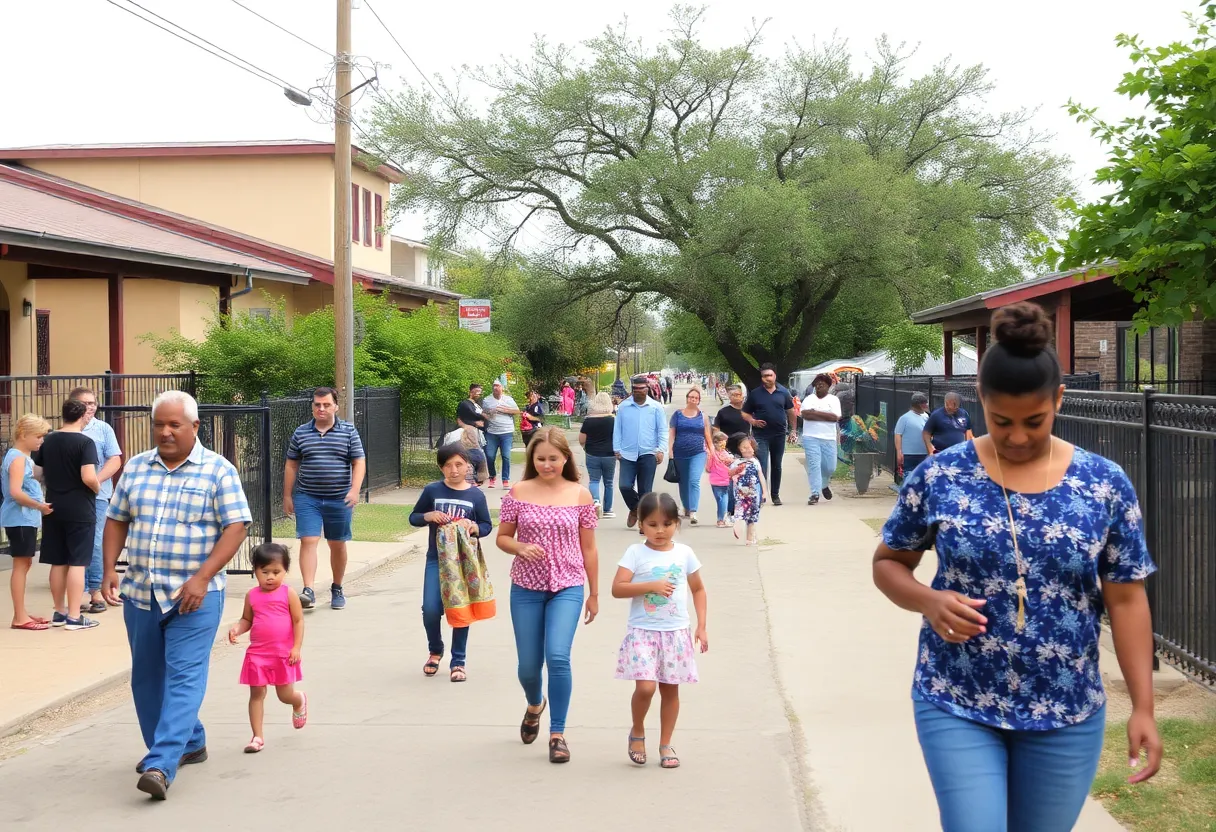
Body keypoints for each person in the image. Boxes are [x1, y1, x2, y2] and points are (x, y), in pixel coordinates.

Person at [873, 302, 1162, 831]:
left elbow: (1126, 597)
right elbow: (889, 562)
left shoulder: (1103, 484)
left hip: (1065, 708)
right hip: (957, 695)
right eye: (1002, 421)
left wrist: (1143, 705)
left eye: (1035, 420)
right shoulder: (942, 476)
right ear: (980, 400)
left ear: (1058, 400)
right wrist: (928, 600)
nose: (1019, 436)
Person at [102, 390, 252, 800]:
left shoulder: (218, 471)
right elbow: (116, 519)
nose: (165, 432)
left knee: (184, 677)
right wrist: (108, 569)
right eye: (159, 425)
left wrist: (203, 578)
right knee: (148, 678)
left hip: (194, 597)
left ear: (195, 427)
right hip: (141, 592)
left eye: (174, 425)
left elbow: (236, 526)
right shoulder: (135, 468)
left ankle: (161, 762)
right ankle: (190, 741)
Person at [496, 427, 599, 764]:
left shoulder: (580, 495)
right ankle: (534, 703)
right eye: (540, 459)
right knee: (528, 666)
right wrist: (520, 547)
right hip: (526, 586)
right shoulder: (518, 491)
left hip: (567, 586)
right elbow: (503, 538)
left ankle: (557, 733)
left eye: (553, 458)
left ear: (565, 458)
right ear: (532, 459)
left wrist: (593, 593)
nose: (546, 464)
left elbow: (589, 548)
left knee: (557, 657)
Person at [612, 491, 708, 769]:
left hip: (676, 633)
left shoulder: (684, 553)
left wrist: (702, 626)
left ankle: (666, 743)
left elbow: (698, 589)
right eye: (652, 524)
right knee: (645, 687)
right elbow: (618, 588)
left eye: (666, 524)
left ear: (676, 523)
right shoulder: (635, 552)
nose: (660, 530)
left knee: (670, 690)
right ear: (640, 524)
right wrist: (649, 586)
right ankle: (638, 730)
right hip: (643, 631)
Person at [409, 444, 493, 683]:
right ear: (440, 467)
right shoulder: (432, 490)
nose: (453, 470)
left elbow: (486, 525)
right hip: (436, 559)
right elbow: (414, 517)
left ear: (468, 465)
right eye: (447, 465)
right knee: (431, 609)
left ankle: (458, 661)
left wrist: (474, 527)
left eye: (458, 464)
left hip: (463, 562)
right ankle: (435, 649)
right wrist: (428, 516)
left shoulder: (475, 495)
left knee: (460, 610)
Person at [283, 387, 366, 611]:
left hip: (339, 498)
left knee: (336, 543)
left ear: (335, 406)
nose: (321, 408)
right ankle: (308, 590)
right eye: (317, 405)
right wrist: (287, 495)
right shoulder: (301, 432)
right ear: (312, 406)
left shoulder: (348, 431)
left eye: (326, 404)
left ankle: (337, 587)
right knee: (308, 540)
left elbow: (359, 461)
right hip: (307, 496)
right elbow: (291, 464)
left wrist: (354, 490)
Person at [226, 542, 307, 754]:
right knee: (256, 694)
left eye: (276, 572)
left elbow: (298, 621)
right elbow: (247, 619)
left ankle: (298, 700)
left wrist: (296, 647)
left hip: (282, 654)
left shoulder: (288, 594)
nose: (270, 577)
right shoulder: (252, 596)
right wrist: (237, 629)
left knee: (284, 695)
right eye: (264, 572)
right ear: (255, 572)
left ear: (285, 571)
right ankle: (257, 737)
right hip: (257, 654)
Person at [34, 398, 101, 630]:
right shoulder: (85, 443)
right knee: (78, 562)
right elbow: (88, 477)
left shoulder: (48, 441)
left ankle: (59, 612)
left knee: (58, 561)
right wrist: (97, 488)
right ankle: (75, 616)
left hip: (52, 505)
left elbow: (36, 473)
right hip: (79, 507)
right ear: (83, 416)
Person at [70, 386, 123, 615]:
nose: (90, 407)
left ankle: (95, 590)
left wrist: (95, 481)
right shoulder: (67, 431)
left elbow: (115, 460)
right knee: (73, 541)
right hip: (70, 496)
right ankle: (76, 591)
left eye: (92, 403)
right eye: (85, 403)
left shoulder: (103, 429)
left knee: (95, 540)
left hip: (97, 495)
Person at [4, 414, 53, 630]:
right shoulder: (17, 458)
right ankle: (19, 616)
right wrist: (39, 506)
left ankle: (22, 613)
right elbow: (15, 492)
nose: (41, 441)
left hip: (25, 518)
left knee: (25, 563)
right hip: (20, 517)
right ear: (24, 435)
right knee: (21, 565)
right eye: (38, 436)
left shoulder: (23, 457)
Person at [613, 376, 667, 529]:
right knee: (624, 485)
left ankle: (644, 523)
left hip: (648, 453)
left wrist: (660, 450)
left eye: (641, 389)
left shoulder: (655, 407)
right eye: (635, 389)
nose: (638, 392)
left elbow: (662, 430)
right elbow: (617, 429)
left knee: (645, 491)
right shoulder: (624, 407)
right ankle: (635, 509)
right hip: (627, 453)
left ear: (647, 389)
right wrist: (617, 449)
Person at [741, 363, 797, 506]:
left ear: (775, 376)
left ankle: (775, 494)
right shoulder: (755, 394)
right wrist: (752, 421)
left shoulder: (783, 392)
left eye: (769, 375)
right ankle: (761, 494)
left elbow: (791, 412)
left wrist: (793, 430)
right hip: (761, 435)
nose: (767, 378)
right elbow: (744, 412)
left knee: (777, 465)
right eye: (764, 376)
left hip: (779, 434)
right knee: (762, 465)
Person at [668, 387, 713, 524]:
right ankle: (686, 507)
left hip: (698, 452)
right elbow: (672, 434)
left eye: (696, 398)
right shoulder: (678, 414)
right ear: (687, 398)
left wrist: (712, 451)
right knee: (683, 482)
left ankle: (693, 511)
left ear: (699, 400)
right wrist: (670, 451)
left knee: (694, 481)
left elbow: (707, 435)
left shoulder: (703, 416)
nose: (693, 399)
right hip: (680, 452)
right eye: (691, 397)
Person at [800, 373, 842, 506]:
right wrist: (824, 415)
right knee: (814, 466)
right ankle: (814, 493)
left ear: (828, 386)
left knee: (830, 467)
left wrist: (815, 413)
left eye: (822, 384)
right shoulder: (809, 399)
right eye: (817, 384)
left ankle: (824, 484)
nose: (819, 386)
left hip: (828, 438)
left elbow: (835, 418)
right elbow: (805, 415)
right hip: (810, 437)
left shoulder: (833, 400)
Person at [579, 392, 617, 518]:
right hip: (609, 454)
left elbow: (582, 439)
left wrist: (585, 447)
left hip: (592, 453)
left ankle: (595, 501)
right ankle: (608, 510)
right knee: (609, 482)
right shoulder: (613, 420)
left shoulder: (589, 420)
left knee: (594, 480)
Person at [728, 433, 765, 545]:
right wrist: (737, 470)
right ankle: (737, 523)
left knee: (752, 516)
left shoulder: (755, 461)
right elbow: (729, 474)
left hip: (754, 493)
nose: (748, 450)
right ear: (738, 450)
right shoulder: (736, 462)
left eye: (749, 447)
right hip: (740, 492)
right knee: (740, 511)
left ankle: (749, 539)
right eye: (744, 448)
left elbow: (761, 476)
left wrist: (765, 492)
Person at [482, 380, 520, 488]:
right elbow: (483, 412)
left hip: (506, 432)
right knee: (489, 456)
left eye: (498, 386)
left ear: (502, 388)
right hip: (492, 432)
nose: (495, 388)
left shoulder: (508, 399)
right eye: (494, 386)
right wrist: (488, 415)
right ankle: (492, 476)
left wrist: (504, 410)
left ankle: (505, 480)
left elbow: (517, 411)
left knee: (506, 456)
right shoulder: (487, 400)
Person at [892, 392, 931, 485]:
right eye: (925, 403)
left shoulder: (926, 416)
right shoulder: (905, 418)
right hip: (909, 454)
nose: (926, 405)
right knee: (909, 477)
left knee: (923, 477)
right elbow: (898, 435)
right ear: (919, 405)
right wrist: (899, 451)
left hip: (924, 453)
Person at [706, 431, 734, 528]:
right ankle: (723, 519)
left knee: (719, 500)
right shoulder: (725, 454)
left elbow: (708, 467)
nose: (724, 443)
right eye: (723, 441)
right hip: (724, 479)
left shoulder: (712, 453)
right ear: (717, 442)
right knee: (724, 499)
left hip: (714, 480)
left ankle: (720, 519)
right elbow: (730, 461)